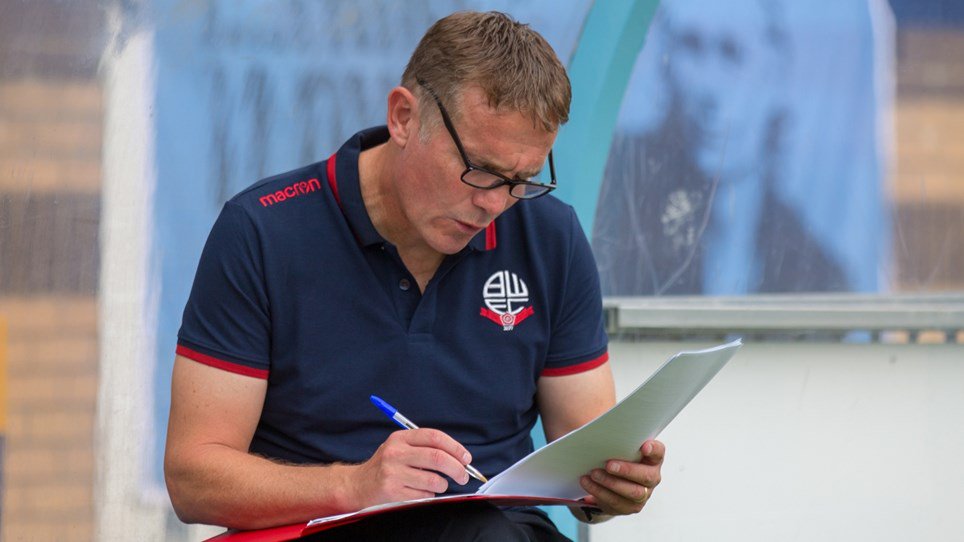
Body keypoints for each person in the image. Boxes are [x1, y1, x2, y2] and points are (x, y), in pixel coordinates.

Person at [164, 11, 664, 540]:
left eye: (521, 180)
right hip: (312, 528)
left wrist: (613, 486)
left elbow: (585, 458)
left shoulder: (549, 236)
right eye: (479, 169)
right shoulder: (264, 230)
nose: (493, 203)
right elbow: (193, 480)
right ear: (403, 117)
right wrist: (355, 486)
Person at [593, 0, 849, 296]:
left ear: (776, 75)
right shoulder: (614, 190)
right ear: (667, 62)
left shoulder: (816, 275)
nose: (709, 86)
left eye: (732, 53)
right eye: (691, 46)